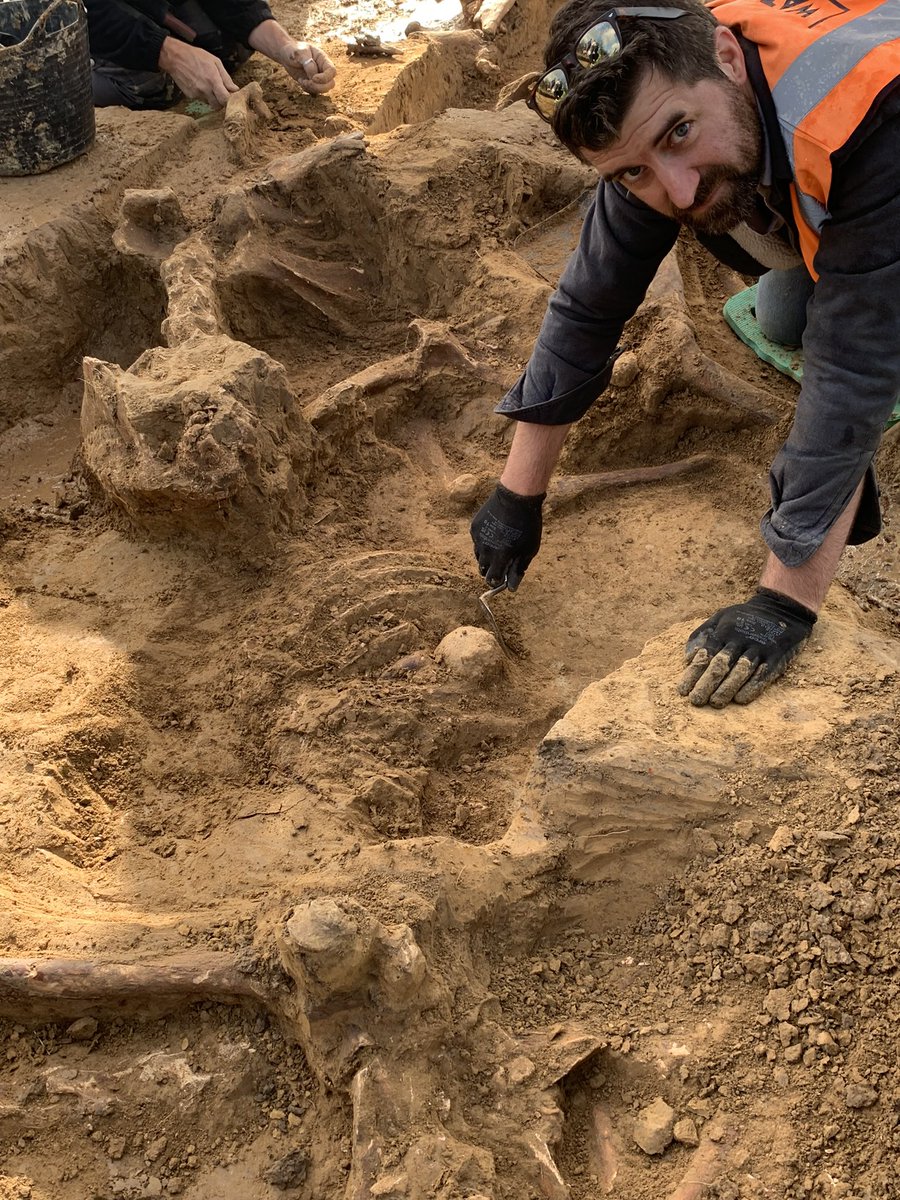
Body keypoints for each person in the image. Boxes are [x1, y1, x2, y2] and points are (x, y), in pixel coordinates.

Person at [470, 0, 900, 708]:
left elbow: (851, 371)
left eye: (679, 135)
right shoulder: (671, 85)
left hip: (887, 154)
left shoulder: (865, 123)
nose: (678, 189)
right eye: (634, 173)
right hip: (850, 185)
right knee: (788, 312)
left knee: (859, 336)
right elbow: (590, 302)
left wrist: (784, 601)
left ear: (728, 57)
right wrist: (517, 493)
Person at [85, 0, 336, 110]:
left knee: (227, 46)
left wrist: (283, 45)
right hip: (82, 15)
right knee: (146, 84)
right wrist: (166, 52)